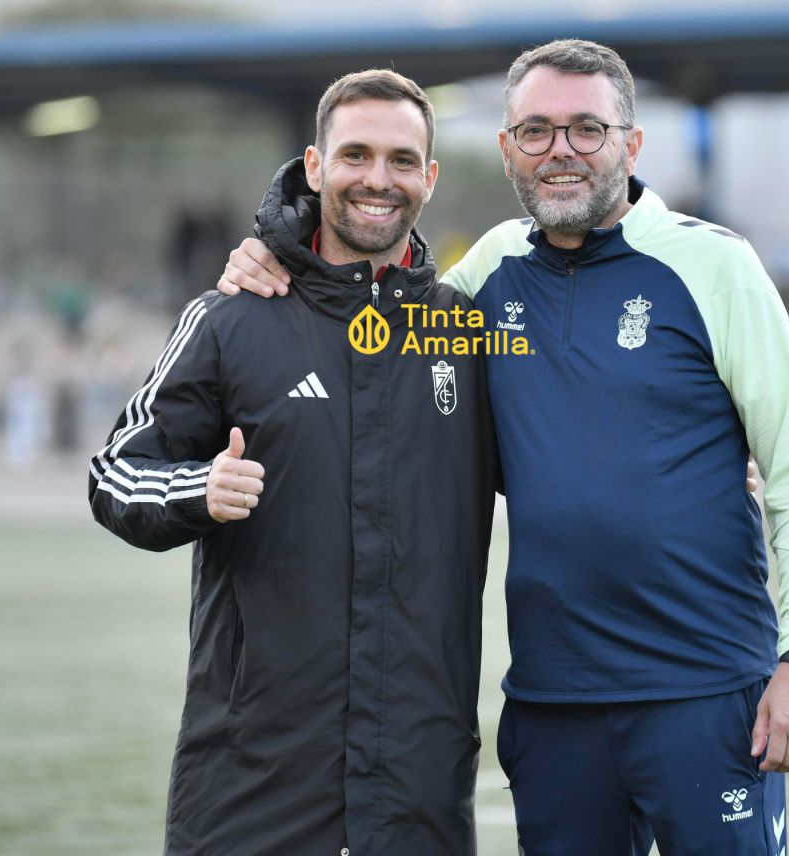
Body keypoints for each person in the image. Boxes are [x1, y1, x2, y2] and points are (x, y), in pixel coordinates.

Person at [219, 40, 789, 856]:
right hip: (554, 705)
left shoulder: (716, 266)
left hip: (706, 689)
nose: (561, 151)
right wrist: (278, 252)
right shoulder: (489, 272)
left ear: (631, 144)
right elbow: (369, 330)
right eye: (536, 132)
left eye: (587, 129)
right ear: (508, 148)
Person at [88, 70, 498, 854]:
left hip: (420, 784)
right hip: (251, 781)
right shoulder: (229, 319)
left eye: (402, 160)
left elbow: (567, 458)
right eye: (356, 155)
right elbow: (113, 473)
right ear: (315, 166)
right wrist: (198, 487)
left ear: (430, 177)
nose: (378, 179)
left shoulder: (466, 335)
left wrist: (718, 461)